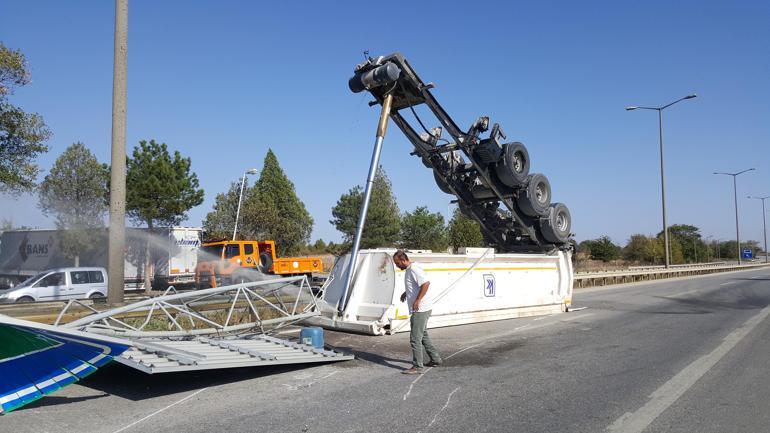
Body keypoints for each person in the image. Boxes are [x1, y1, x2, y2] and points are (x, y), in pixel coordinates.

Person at [393, 249, 442, 374]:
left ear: (403, 260)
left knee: (415, 338)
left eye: (398, 263)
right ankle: (435, 359)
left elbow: (425, 284)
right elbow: (416, 285)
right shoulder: (411, 269)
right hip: (422, 308)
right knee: (423, 336)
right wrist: (406, 293)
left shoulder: (414, 269)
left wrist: (417, 300)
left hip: (420, 309)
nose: (397, 266)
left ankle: (417, 367)